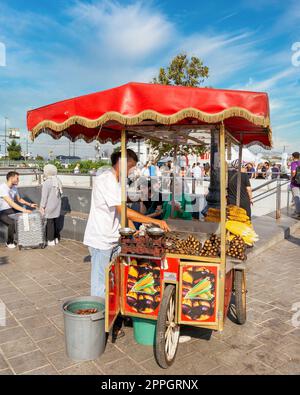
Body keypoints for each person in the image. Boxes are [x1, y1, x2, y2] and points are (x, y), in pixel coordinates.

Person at [83, 149, 169, 337]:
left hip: (113, 238)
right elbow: (123, 209)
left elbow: (122, 211)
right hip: (101, 239)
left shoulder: (118, 181)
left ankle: (113, 316)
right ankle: (98, 327)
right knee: (101, 284)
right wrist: (153, 221)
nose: (132, 170)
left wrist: (134, 230)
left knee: (114, 280)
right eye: (131, 166)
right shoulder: (106, 180)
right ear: (122, 162)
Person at [0, 171, 37, 248]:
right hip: (2, 212)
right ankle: (9, 242)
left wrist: (30, 204)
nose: (18, 180)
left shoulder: (14, 188)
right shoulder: (2, 188)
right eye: (17, 178)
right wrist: (24, 210)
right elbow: (11, 203)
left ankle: (28, 239)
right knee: (11, 223)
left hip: (11, 209)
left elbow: (19, 199)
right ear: (11, 178)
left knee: (26, 217)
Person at [40, 164, 63, 246]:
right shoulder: (58, 180)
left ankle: (50, 240)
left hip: (49, 205)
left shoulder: (46, 183)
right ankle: (56, 238)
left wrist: (42, 206)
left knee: (50, 222)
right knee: (55, 221)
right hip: (57, 205)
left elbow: (44, 197)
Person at [290, 152, 300, 218]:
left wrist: (291, 178)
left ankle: (298, 213)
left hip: (295, 183)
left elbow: (293, 172)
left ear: (293, 157)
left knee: (296, 198)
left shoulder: (294, 163)